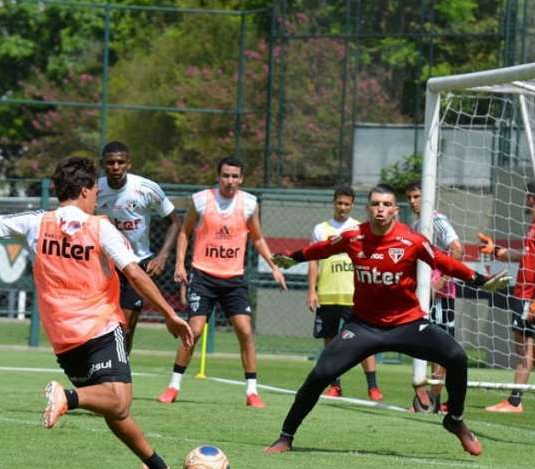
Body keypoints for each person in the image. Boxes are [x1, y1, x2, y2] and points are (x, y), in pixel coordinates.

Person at [0, 157, 194, 469]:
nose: (97, 195)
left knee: (112, 405)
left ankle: (156, 466)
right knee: (119, 400)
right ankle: (67, 398)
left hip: (63, 338)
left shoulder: (36, 222)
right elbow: (135, 274)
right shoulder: (99, 227)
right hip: (100, 326)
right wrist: (170, 314)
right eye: (95, 189)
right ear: (84, 190)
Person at [264, 184, 510, 456]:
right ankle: (286, 436)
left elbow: (443, 261)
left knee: (456, 357)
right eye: (375, 204)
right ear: (368, 209)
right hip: (364, 326)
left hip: (408, 324)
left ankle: (455, 420)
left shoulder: (412, 240)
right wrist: (292, 258)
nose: (380, 209)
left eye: (386, 205)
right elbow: (322, 248)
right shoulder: (353, 236)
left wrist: (480, 281)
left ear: (395, 210)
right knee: (320, 374)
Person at [157, 156, 288, 408]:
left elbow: (258, 238)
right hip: (203, 276)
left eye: (235, 176)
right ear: (218, 177)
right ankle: (173, 386)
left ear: (241, 179)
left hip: (233, 279)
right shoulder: (201, 200)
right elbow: (184, 232)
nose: (230, 180)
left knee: (246, 331)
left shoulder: (249, 203)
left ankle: (252, 392)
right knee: (193, 331)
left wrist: (274, 266)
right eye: (226, 176)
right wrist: (179, 264)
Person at [480, 181, 535, 413]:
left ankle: (515, 402)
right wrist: (499, 252)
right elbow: (527, 256)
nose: (524, 198)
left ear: (532, 197)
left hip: (530, 295)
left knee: (523, 349)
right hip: (526, 293)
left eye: (526, 194)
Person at [97, 141, 182, 355]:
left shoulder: (146, 189)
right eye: (110, 163)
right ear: (103, 165)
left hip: (136, 265)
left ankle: (120, 375)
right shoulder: (95, 190)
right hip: (105, 265)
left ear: (129, 164)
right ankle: (100, 373)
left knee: (125, 328)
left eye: (120, 162)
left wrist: (162, 256)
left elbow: (175, 221)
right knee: (101, 326)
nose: (115, 167)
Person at [307, 185, 383, 401]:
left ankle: (373, 387)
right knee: (330, 342)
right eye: (339, 203)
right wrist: (312, 290)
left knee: (364, 342)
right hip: (328, 295)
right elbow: (313, 261)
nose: (342, 207)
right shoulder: (320, 229)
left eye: (347, 204)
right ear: (334, 203)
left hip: (355, 296)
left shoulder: (360, 228)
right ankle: (335, 385)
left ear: (352, 206)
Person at [405, 180, 464, 413]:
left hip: (440, 296)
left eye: (417, 196)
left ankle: (432, 401)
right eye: (409, 197)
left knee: (439, 350)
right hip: (425, 296)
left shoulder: (437, 220)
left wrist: (440, 282)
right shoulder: (420, 223)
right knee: (429, 347)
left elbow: (457, 248)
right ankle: (435, 400)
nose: (412, 201)